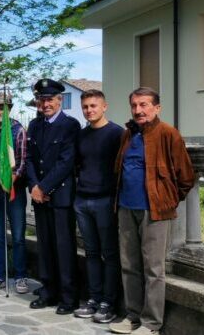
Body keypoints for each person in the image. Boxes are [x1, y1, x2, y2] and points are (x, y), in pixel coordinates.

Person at [109, 87, 194, 335]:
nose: (138, 110)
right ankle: (133, 316)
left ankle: (151, 324)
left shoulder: (168, 134)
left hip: (154, 212)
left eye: (144, 105)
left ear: (157, 107)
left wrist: (167, 200)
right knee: (129, 266)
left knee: (154, 269)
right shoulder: (128, 134)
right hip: (125, 208)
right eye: (134, 105)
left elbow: (186, 177)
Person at [25, 78, 81, 315]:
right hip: (40, 197)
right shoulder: (36, 125)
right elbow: (28, 158)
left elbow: (66, 161)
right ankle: (48, 291)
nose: (46, 104)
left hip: (59, 196)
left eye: (50, 99)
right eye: (42, 99)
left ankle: (68, 297)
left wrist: (44, 187)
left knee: (64, 247)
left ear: (60, 100)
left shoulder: (70, 125)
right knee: (45, 245)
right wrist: (34, 187)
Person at [72, 89, 124, 323]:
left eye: (93, 106)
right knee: (91, 252)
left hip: (105, 201)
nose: (89, 110)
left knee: (109, 253)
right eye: (85, 107)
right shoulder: (81, 136)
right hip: (83, 200)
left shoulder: (117, 134)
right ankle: (93, 298)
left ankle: (108, 303)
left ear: (104, 106)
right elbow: (78, 165)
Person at [0, 92, 29, 294]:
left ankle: (21, 275)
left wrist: (12, 178)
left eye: (1, 108)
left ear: (8, 109)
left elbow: (22, 161)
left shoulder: (17, 130)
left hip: (15, 190)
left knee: (19, 235)